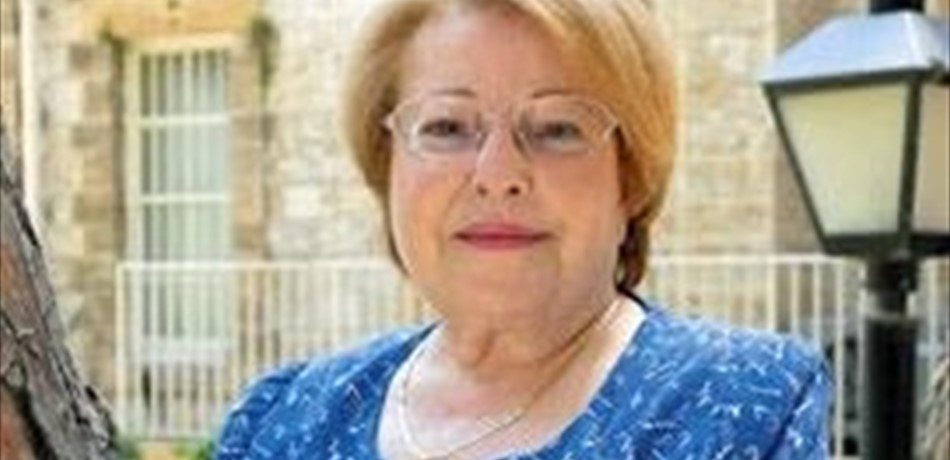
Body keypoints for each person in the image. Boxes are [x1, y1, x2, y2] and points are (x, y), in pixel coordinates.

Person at [215, 0, 833, 458]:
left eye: (557, 128)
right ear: (387, 167)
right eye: (447, 127)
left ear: (631, 176)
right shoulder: (283, 420)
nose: (497, 174)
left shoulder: (740, 405)